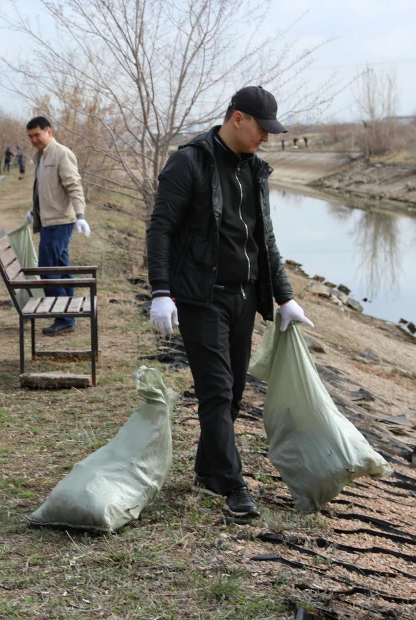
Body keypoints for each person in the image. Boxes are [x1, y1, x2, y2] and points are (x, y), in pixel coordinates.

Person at [146, 86, 312, 517]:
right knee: (216, 393)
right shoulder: (190, 162)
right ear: (237, 118)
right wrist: (161, 291)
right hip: (201, 296)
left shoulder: (255, 170)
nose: (267, 137)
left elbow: (265, 238)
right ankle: (234, 486)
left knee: (234, 393)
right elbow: (161, 227)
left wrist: (284, 297)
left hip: (244, 296)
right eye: (262, 128)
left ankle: (208, 469)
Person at [24, 116, 90, 336]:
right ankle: (69, 313)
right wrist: (34, 212)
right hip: (48, 221)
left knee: (48, 270)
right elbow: (47, 189)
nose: (34, 139)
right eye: (30, 136)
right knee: (62, 269)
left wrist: (80, 215)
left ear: (49, 132)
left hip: (59, 222)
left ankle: (64, 318)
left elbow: (74, 186)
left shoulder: (61, 153)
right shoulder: (40, 156)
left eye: (37, 135)